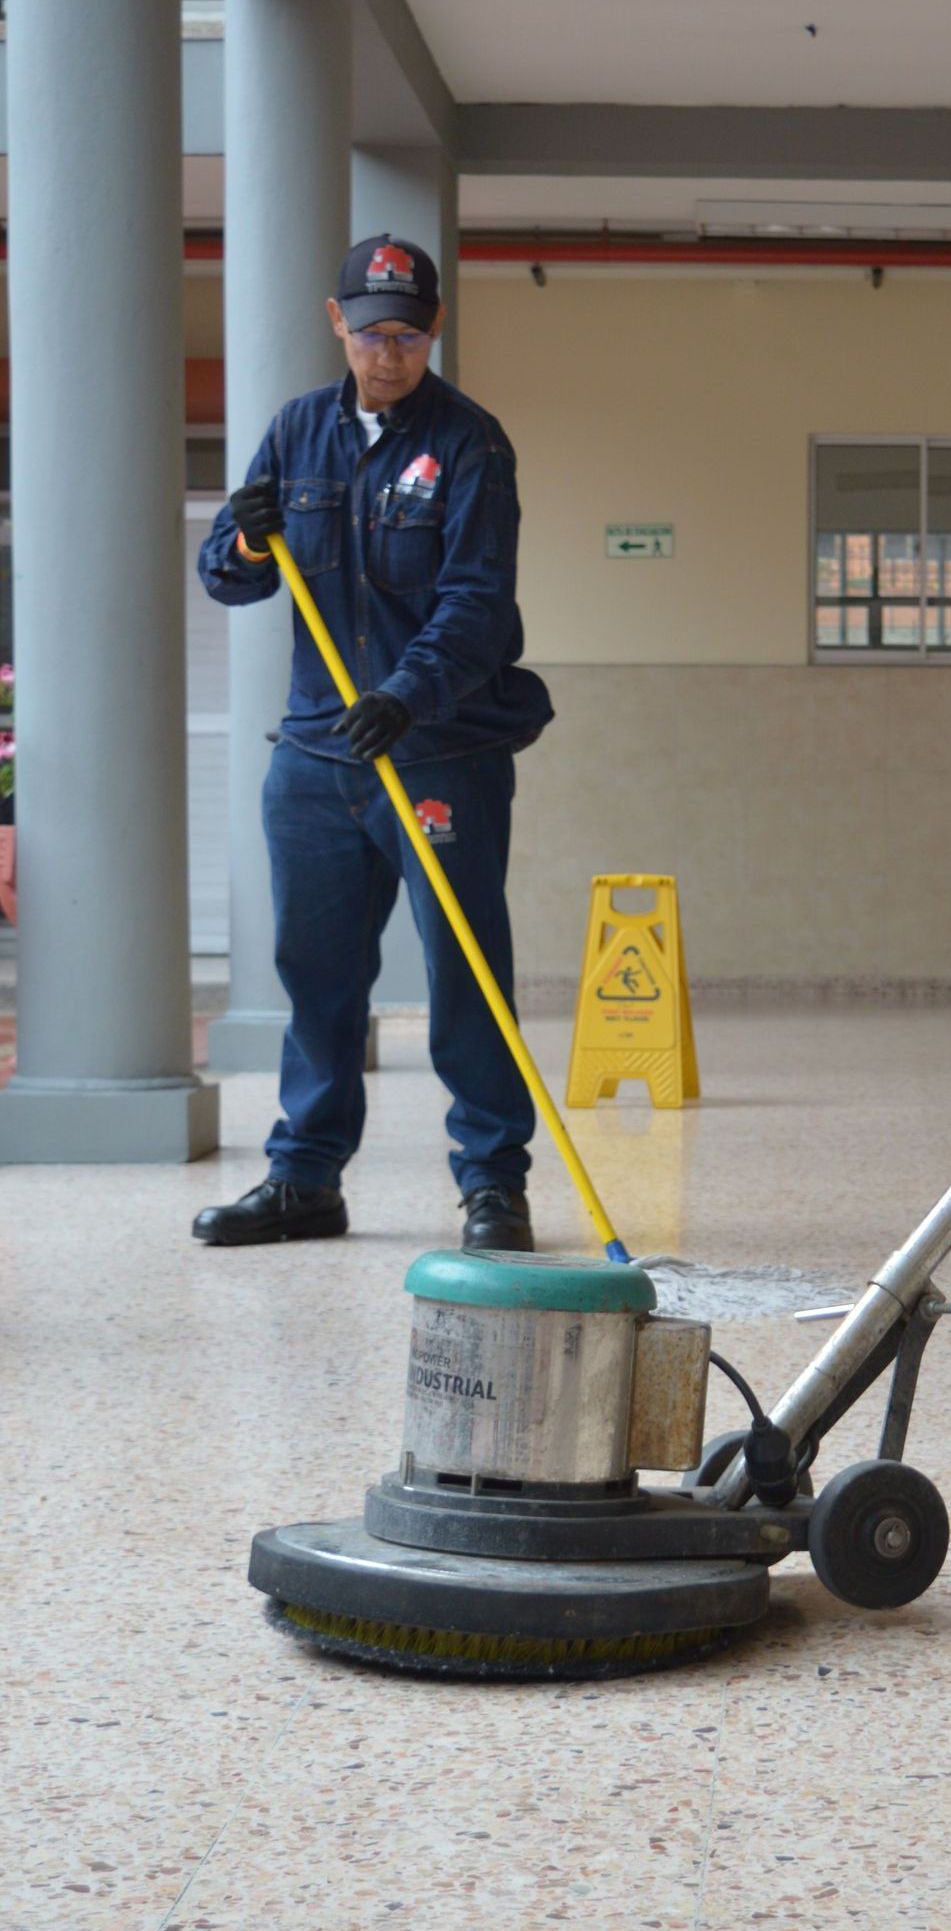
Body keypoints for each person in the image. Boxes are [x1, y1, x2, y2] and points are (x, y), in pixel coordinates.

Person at [193, 234, 553, 1253]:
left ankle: (493, 1184)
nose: (386, 350)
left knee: (462, 971)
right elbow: (228, 574)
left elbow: (478, 605)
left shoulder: (471, 443)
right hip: (314, 756)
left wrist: (406, 694)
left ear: (432, 328)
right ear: (335, 320)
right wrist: (249, 534)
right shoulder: (297, 430)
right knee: (315, 975)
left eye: (405, 331)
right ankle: (305, 1177)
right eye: (368, 330)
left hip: (438, 749)